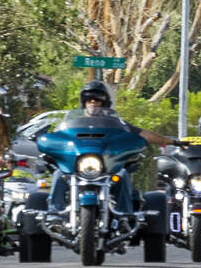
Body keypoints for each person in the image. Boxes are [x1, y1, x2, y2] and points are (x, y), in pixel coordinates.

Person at [47, 81, 183, 215]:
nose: (92, 102)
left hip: (108, 169)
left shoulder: (116, 123)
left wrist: (173, 142)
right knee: (59, 174)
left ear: (104, 102)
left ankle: (125, 215)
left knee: (122, 175)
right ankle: (54, 214)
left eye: (97, 99)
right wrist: (50, 142)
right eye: (89, 99)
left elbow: (143, 134)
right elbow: (60, 136)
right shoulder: (71, 124)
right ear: (84, 101)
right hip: (76, 169)